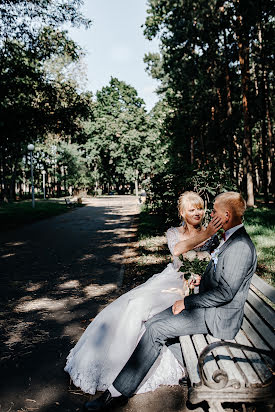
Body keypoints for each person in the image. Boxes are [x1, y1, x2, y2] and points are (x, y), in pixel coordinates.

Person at [83, 191, 257, 412]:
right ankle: (191, 369)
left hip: (219, 317)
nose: (209, 213)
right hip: (211, 308)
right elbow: (223, 280)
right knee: (152, 322)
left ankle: (116, 394)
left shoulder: (240, 245)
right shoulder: (230, 238)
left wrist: (187, 303)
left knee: (156, 330)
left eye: (212, 210)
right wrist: (203, 279)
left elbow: (225, 294)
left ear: (226, 214)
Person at [65, 191, 221, 396]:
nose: (197, 213)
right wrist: (206, 233)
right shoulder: (173, 232)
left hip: (194, 286)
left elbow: (215, 263)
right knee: (134, 304)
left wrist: (201, 273)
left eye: (200, 208)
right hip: (170, 280)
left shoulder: (213, 235)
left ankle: (135, 370)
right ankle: (114, 365)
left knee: (145, 310)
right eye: (191, 209)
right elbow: (177, 251)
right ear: (182, 213)